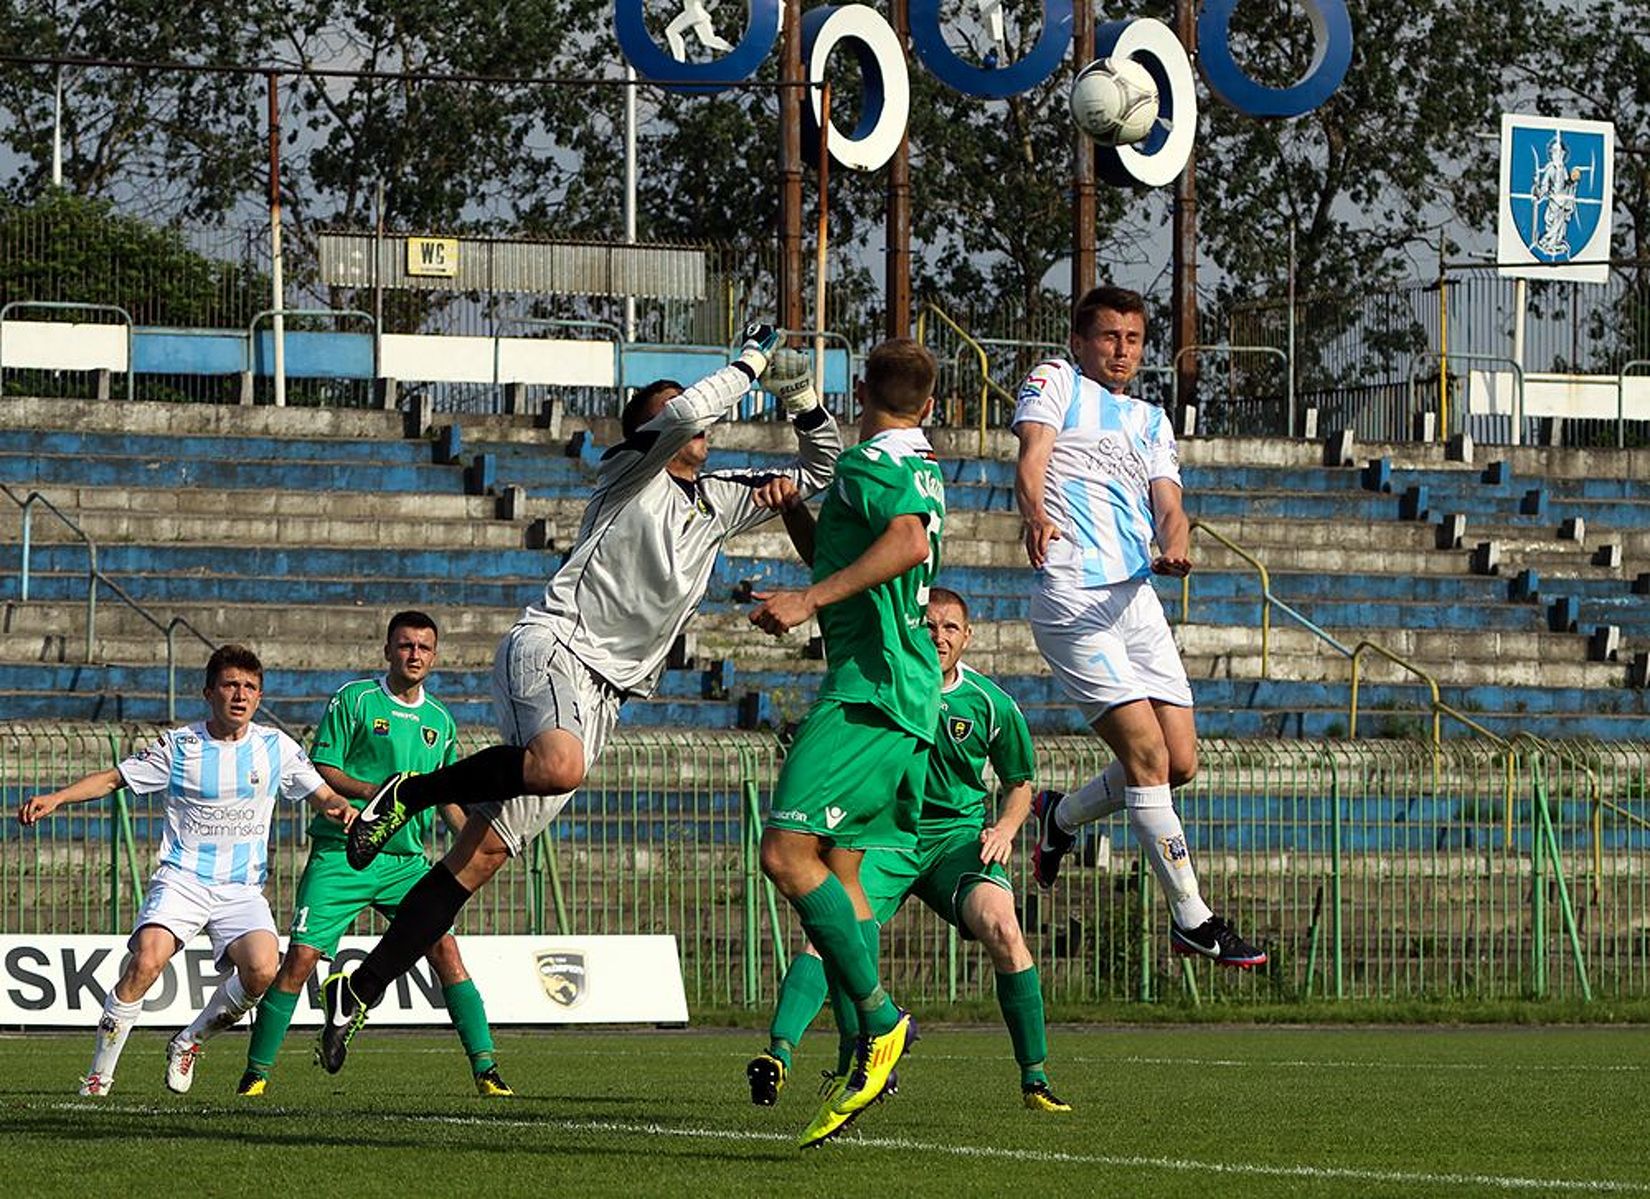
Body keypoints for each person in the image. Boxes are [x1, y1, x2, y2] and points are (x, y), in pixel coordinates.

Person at [315, 325, 840, 1072]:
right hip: (554, 644)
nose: (699, 423)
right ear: (651, 430)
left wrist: (801, 397)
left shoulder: (722, 499)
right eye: (672, 412)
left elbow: (826, 466)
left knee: (480, 857)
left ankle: (361, 988)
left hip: (605, 691)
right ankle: (412, 792)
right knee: (560, 765)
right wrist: (750, 359)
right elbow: (690, 412)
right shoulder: (631, 470)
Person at [1013, 285, 1265, 969]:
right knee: (1147, 757)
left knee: (1180, 763)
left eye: (1132, 340)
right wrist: (1035, 512)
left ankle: (1059, 817)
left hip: (1135, 598)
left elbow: (1170, 503)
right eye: (1107, 337)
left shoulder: (1152, 417)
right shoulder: (1055, 380)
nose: (1121, 351)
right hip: (1073, 596)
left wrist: (1176, 538)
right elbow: (1032, 458)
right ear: (1079, 340)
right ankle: (1192, 917)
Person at [747, 588, 1070, 1114]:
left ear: (968, 637)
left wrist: (1007, 829)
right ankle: (779, 1054)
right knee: (827, 935)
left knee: (1005, 928)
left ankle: (1035, 1079)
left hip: (956, 843)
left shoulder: (990, 704)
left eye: (950, 628)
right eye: (930, 626)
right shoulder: (888, 692)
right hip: (886, 841)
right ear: (913, 630)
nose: (939, 636)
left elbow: (1020, 782)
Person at [749, 336, 947, 1148]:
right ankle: (862, 1047)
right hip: (901, 693)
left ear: (860, 389)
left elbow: (907, 544)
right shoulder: (916, 463)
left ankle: (879, 1019)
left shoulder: (871, 466)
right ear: (931, 406)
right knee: (844, 875)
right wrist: (799, 516)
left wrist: (804, 601)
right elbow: (867, 552)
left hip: (870, 690)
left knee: (785, 854)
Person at [16, 645, 353, 1096]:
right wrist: (56, 798)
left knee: (262, 971)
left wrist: (339, 807)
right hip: (183, 880)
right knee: (147, 960)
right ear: (208, 692)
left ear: (259, 696)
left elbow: (321, 794)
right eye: (231, 684)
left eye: (250, 687)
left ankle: (188, 1042)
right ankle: (98, 1077)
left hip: (242, 888)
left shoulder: (276, 747)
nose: (240, 694)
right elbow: (114, 778)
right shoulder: (180, 746)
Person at [237, 611, 509, 1097]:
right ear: (387, 650)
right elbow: (322, 767)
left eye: (424, 648)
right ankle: (255, 1075)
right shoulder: (356, 699)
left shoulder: (440, 721)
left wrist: (477, 840)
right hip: (343, 852)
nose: (414, 655)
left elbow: (445, 795)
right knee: (300, 958)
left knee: (445, 950)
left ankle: (486, 1070)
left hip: (405, 862)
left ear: (435, 656)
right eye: (405, 646)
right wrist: (380, 795)